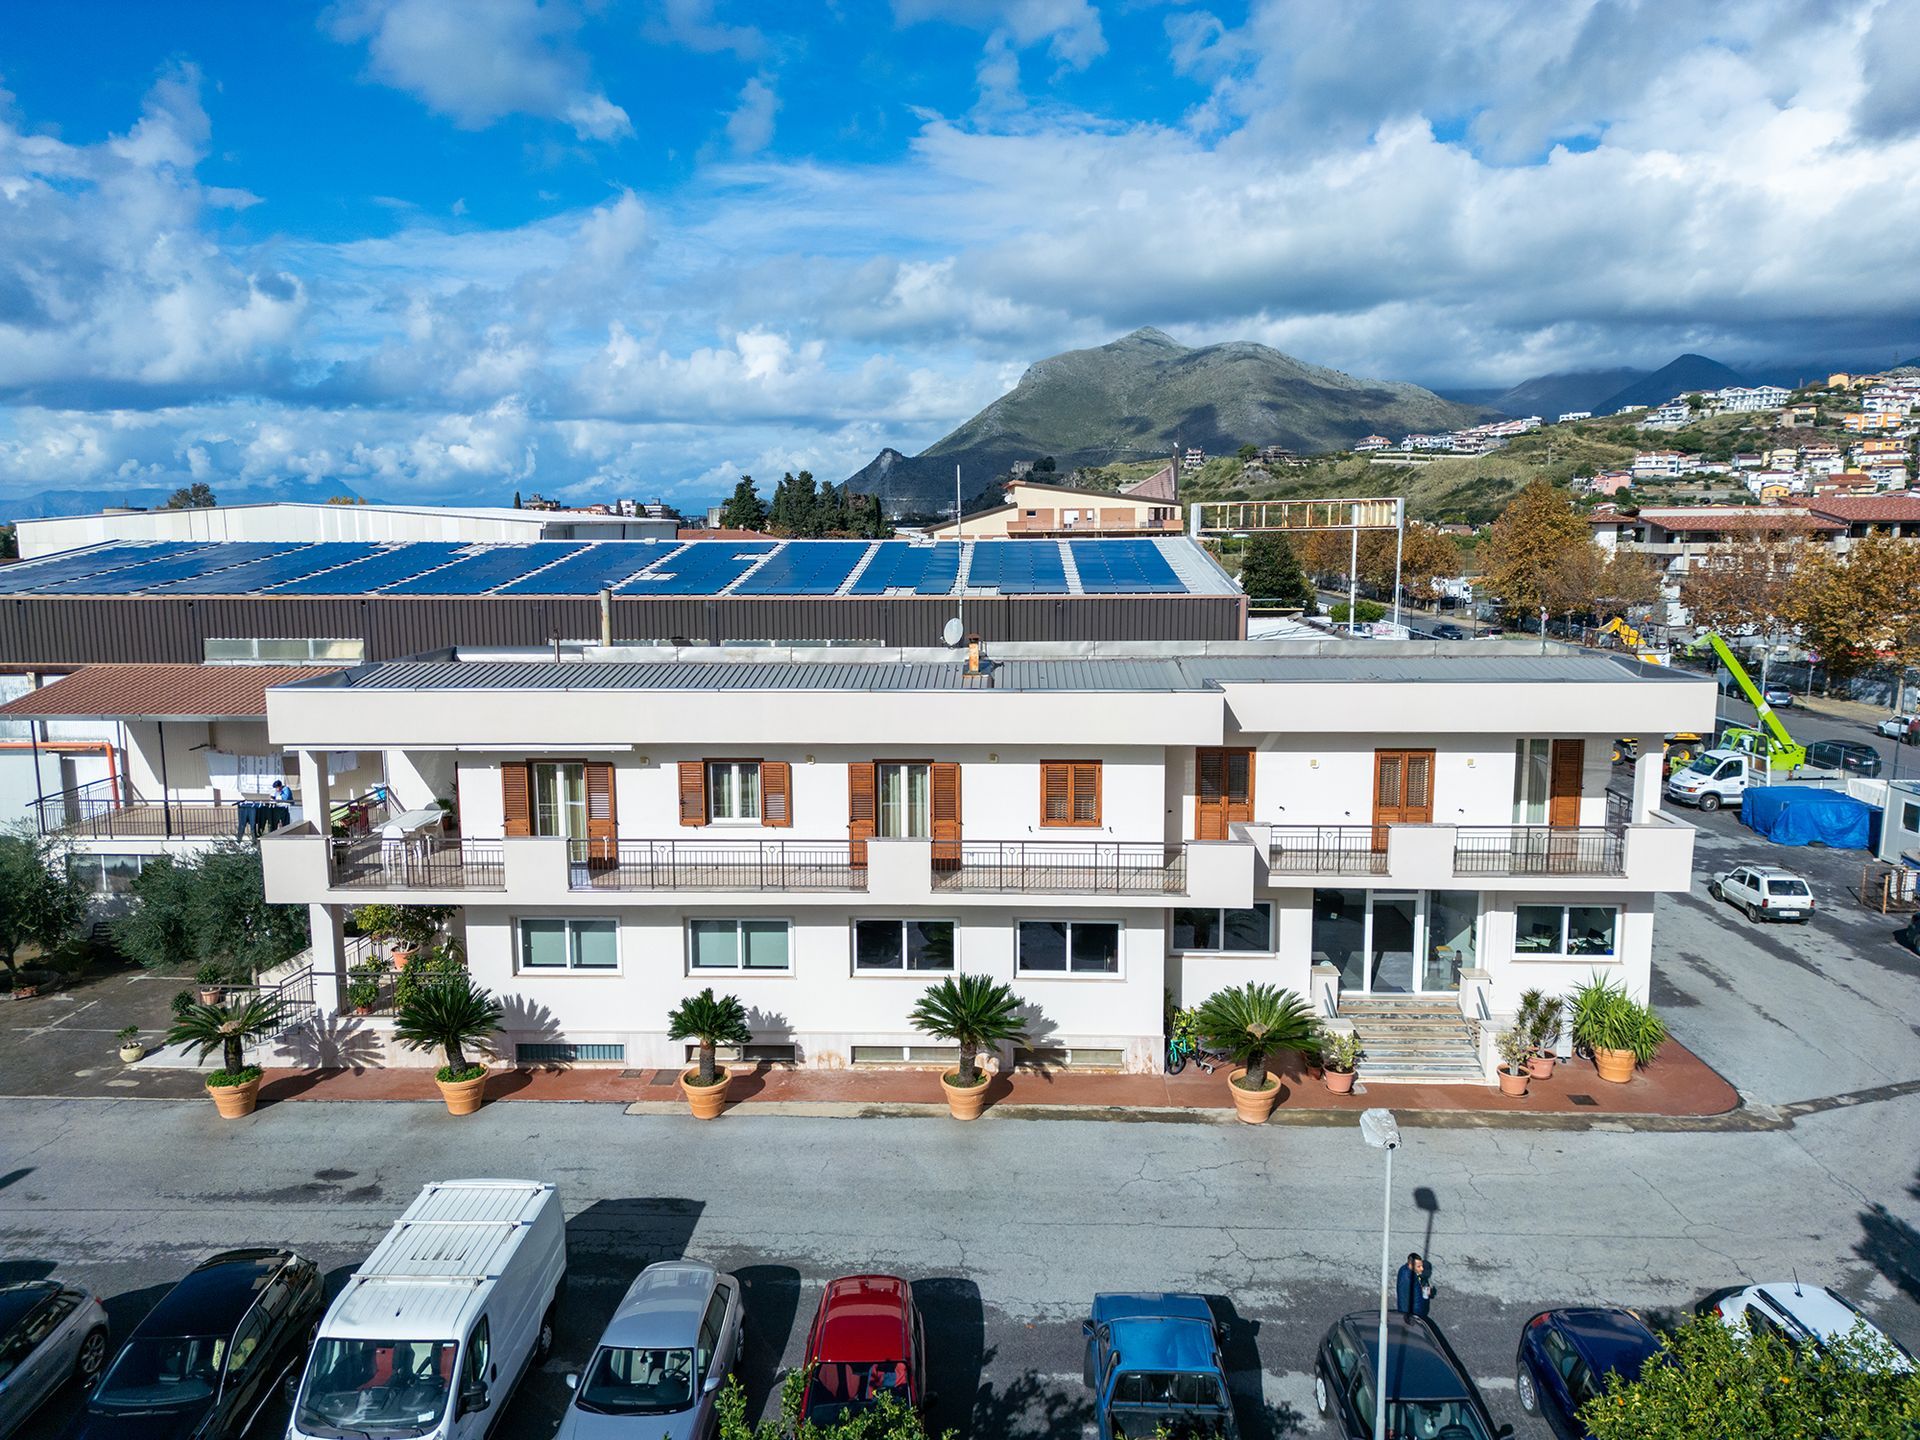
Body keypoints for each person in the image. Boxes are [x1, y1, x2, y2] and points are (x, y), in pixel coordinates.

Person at [1396, 1252, 1434, 1316]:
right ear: (1411, 1265)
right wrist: (1408, 1317)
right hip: (1415, 1313)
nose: (1422, 1269)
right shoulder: (1407, 1279)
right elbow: (1404, 1302)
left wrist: (1421, 1289)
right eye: (1418, 1266)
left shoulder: (1406, 1270)